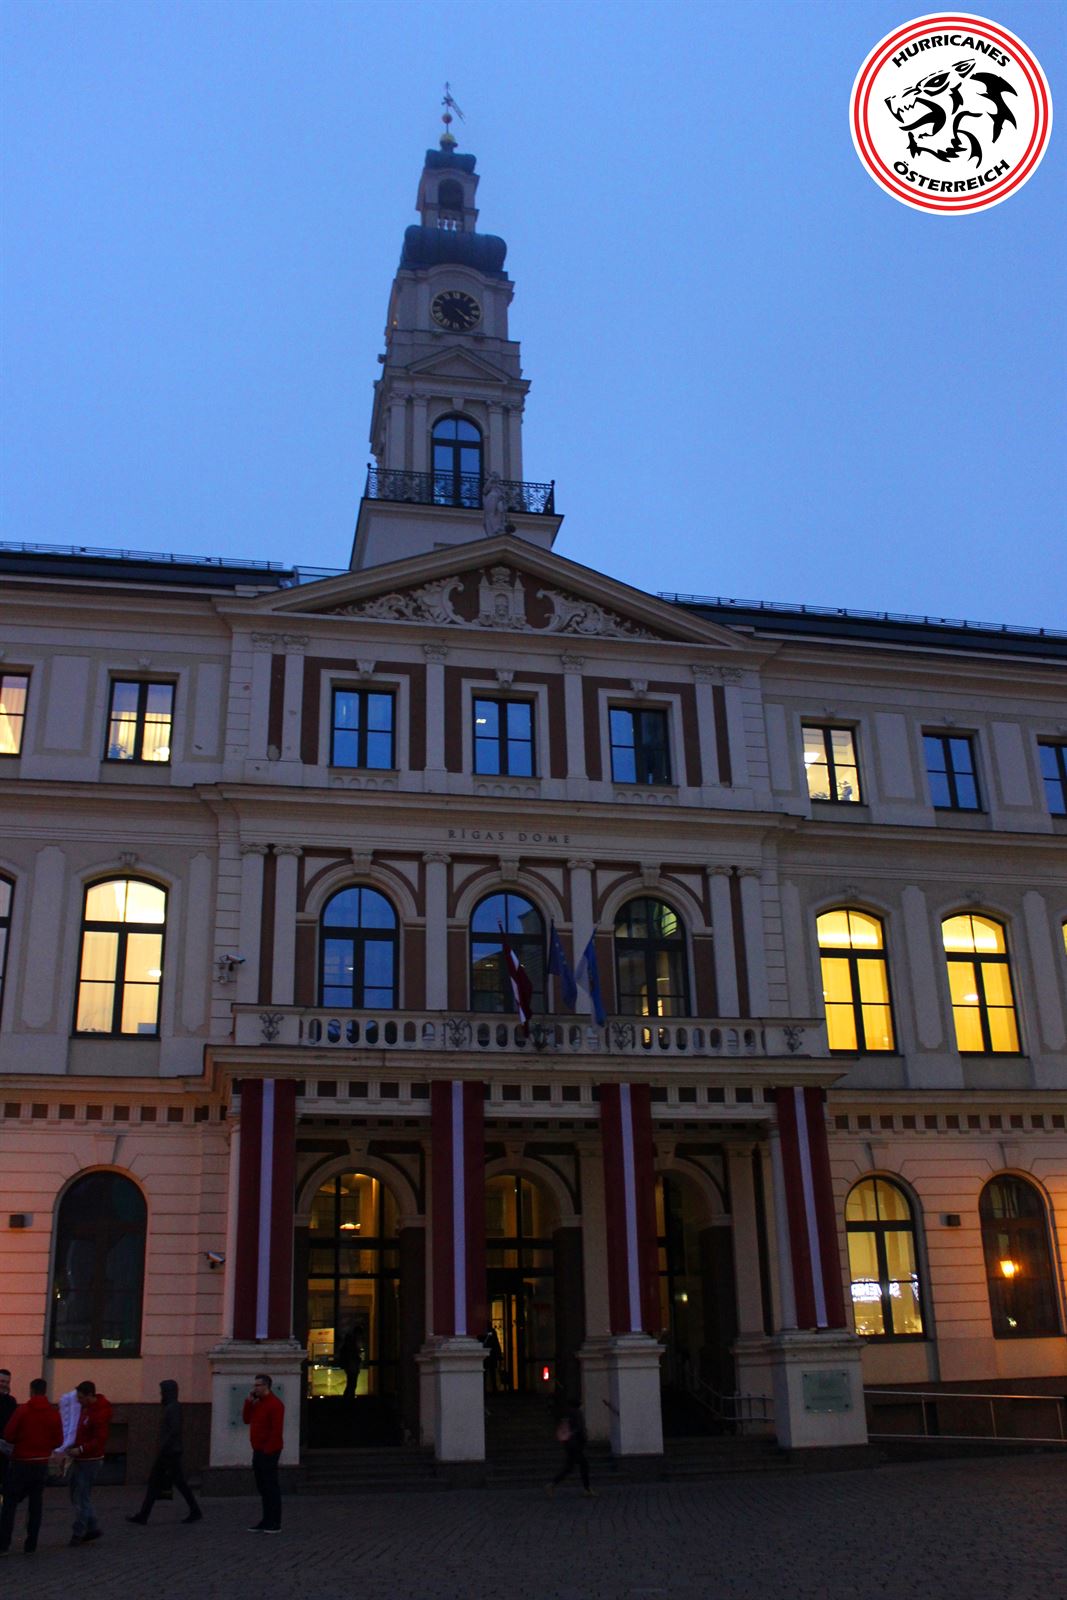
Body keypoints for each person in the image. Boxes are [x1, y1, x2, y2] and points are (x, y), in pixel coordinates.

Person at [0, 1376, 63, 1556]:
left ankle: (4, 1544)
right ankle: (31, 1545)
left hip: (21, 1463)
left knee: (10, 1504)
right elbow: (58, 1440)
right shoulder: (53, 1413)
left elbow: (9, 1434)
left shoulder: (23, 1411)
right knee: (36, 1505)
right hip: (41, 1463)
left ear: (31, 1391)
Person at [127, 1379, 202, 1526]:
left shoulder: (173, 1408)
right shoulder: (172, 1407)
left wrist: (163, 1447)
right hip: (170, 1451)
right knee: (166, 1483)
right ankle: (144, 1515)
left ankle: (144, 1515)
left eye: (163, 1391)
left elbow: (173, 1430)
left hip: (169, 1452)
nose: (161, 1394)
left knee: (167, 1483)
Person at [67, 1380, 112, 1546]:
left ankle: (79, 1532)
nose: (78, 1401)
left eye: (81, 1397)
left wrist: (80, 1449)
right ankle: (91, 1526)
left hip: (89, 1460)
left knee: (80, 1497)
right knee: (80, 1495)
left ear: (89, 1395)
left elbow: (99, 1440)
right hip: (83, 1458)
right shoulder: (88, 1409)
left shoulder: (99, 1413)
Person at [242, 1373, 284, 1533]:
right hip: (258, 1450)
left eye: (257, 1385)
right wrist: (248, 1402)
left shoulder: (275, 1404)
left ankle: (275, 1522)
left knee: (271, 1486)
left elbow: (276, 1431)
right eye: (255, 1385)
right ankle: (266, 1519)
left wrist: (268, 1451)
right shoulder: (258, 1403)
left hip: (269, 1451)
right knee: (263, 1487)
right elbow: (246, 1419)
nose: (255, 1388)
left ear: (266, 1386)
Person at [546, 1398, 593, 1498]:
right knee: (583, 1465)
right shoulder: (577, 1413)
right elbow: (579, 1428)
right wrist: (583, 1438)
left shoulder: (568, 1414)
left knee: (570, 1467)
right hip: (576, 1444)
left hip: (570, 1444)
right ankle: (587, 1489)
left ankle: (552, 1484)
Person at [0, 1370, 16, 1494]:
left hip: (5, 1447)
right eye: (2, 1381)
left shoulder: (11, 1401)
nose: (5, 1384)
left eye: (7, 1382)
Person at [336, 1326, 363, 1402]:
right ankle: (349, 1399)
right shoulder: (352, 1345)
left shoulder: (349, 1343)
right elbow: (353, 1355)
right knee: (352, 1384)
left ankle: (348, 1399)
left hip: (350, 1366)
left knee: (351, 1384)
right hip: (352, 1366)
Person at [481, 1325, 504, 1393]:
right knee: (492, 1373)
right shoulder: (492, 1331)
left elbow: (496, 1343)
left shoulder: (483, 1331)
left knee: (486, 1373)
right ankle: (493, 1388)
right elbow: (496, 1344)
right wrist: (499, 1355)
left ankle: (486, 1388)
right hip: (491, 1355)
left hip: (486, 1355)